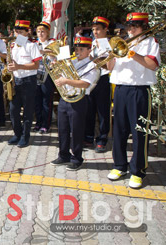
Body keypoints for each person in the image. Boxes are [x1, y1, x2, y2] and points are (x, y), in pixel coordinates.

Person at [107, 12, 160, 189]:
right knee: (119, 130)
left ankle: (138, 171)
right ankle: (119, 165)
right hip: (121, 89)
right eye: (128, 26)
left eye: (134, 26)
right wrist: (111, 56)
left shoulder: (150, 43)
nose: (130, 29)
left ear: (144, 27)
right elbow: (110, 67)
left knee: (139, 132)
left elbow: (153, 64)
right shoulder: (122, 41)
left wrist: (132, 53)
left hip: (139, 90)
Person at [51, 36, 99, 171]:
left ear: (90, 50)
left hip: (79, 99)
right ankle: (63, 155)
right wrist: (56, 67)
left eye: (81, 49)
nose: (78, 51)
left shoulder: (92, 65)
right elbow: (60, 74)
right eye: (77, 49)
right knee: (62, 129)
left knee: (76, 130)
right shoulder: (71, 61)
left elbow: (85, 83)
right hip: (65, 98)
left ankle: (77, 158)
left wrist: (66, 81)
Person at [7, 20, 42, 148]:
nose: (18, 34)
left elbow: (36, 65)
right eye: (16, 32)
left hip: (28, 80)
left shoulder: (32, 46)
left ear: (27, 32)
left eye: (21, 32)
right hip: (16, 81)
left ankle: (25, 137)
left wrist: (19, 66)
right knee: (13, 110)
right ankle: (17, 133)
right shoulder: (12, 46)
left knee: (27, 111)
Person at [85, 16, 112, 152]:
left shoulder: (110, 44)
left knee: (102, 111)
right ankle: (89, 137)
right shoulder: (92, 43)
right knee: (89, 110)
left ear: (105, 29)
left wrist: (92, 59)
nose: (95, 32)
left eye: (98, 29)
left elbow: (108, 64)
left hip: (102, 79)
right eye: (93, 29)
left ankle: (102, 139)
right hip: (91, 78)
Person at [34, 22, 55, 134]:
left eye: (43, 31)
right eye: (38, 31)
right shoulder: (34, 44)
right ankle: (38, 122)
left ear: (47, 33)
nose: (40, 33)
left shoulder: (52, 43)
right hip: (36, 74)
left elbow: (56, 52)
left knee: (47, 101)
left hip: (48, 75)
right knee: (37, 100)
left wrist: (43, 51)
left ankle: (46, 124)